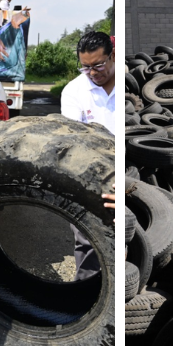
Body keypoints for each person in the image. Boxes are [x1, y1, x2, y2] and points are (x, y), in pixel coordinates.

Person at [60, 31, 116, 279]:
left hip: (127, 176)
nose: (93, 73)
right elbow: (75, 147)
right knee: (88, 244)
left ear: (112, 56)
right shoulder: (74, 92)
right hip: (91, 180)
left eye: (98, 65)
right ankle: (86, 302)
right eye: (85, 67)